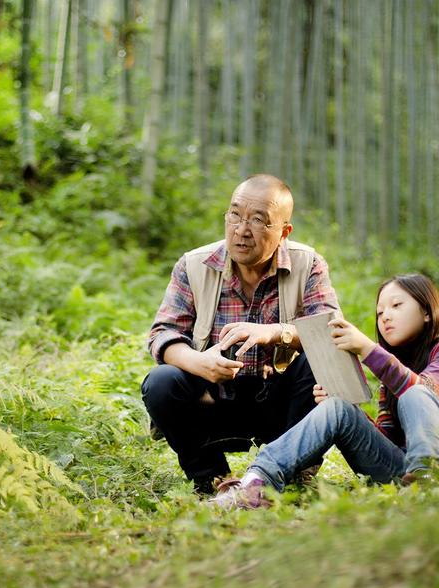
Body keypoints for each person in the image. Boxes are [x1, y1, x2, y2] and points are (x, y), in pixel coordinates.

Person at [210, 273, 439, 509]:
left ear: (427, 312)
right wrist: (347, 412)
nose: (385, 317)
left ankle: (430, 483)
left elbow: (425, 389)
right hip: (404, 476)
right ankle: (256, 484)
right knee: (337, 409)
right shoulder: (394, 372)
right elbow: (387, 440)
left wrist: (368, 349)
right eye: (380, 312)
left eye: (396, 305)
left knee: (416, 393)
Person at [142, 174, 340, 495]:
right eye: (235, 215)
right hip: (214, 402)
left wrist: (274, 333)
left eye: (258, 220)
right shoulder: (194, 265)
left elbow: (330, 332)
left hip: (280, 407)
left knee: (317, 366)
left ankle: (289, 474)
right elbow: (162, 335)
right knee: (161, 382)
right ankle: (212, 478)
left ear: (284, 231)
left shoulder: (308, 265)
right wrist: (199, 362)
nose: (241, 230)